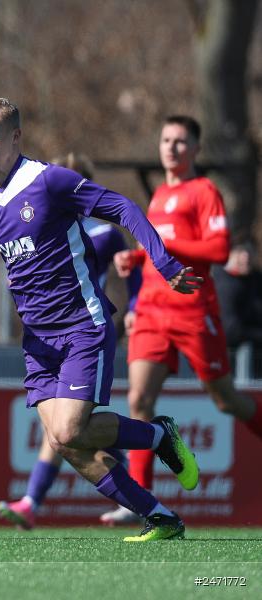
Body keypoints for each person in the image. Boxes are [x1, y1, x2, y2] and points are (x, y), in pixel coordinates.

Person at [0, 98, 202, 542]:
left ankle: (156, 435)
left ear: (15, 137)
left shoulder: (48, 181)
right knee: (66, 443)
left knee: (70, 430)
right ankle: (160, 514)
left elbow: (125, 209)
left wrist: (166, 266)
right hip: (37, 341)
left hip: (80, 327)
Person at [101, 115, 262, 525]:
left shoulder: (203, 191)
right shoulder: (156, 199)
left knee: (226, 399)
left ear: (195, 149)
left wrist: (169, 242)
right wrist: (136, 257)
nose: (171, 147)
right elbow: (159, 251)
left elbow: (219, 249)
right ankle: (139, 503)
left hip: (192, 310)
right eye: (166, 140)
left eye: (180, 141)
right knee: (139, 401)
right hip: (153, 311)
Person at [0, 153, 140, 530]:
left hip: (86, 328)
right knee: (67, 430)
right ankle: (134, 496)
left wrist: (135, 307)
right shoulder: (36, 228)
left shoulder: (103, 233)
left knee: (68, 428)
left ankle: (32, 500)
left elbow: (131, 272)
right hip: (48, 338)